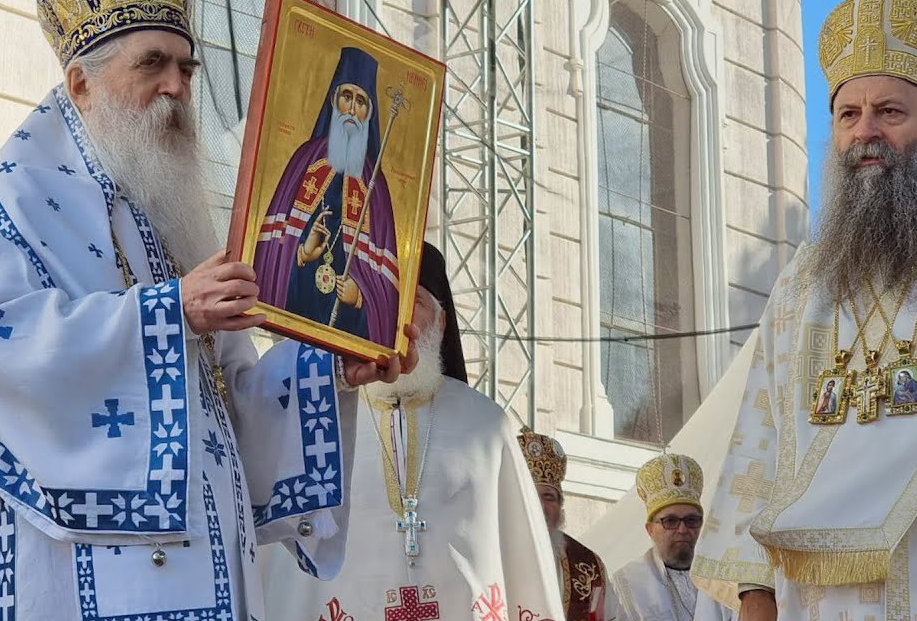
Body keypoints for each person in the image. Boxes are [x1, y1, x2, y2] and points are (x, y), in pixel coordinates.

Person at [0, 0, 416, 621]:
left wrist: (333, 365)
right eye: (152, 64)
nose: (176, 87)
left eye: (187, 69)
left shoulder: (170, 217)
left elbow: (232, 397)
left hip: (210, 562)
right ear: (80, 82)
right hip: (79, 571)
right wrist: (168, 315)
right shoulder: (10, 203)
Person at [693, 0, 917, 618]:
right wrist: (753, 591)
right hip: (825, 597)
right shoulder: (803, 282)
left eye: (889, 111)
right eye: (847, 115)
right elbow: (759, 435)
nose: (866, 131)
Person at [261, 243, 566, 620]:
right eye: (383, 299)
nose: (397, 318)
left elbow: (524, 563)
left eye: (415, 302)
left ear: (441, 323)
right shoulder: (320, 417)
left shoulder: (487, 425)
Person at [252, 47, 400, 346]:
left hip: (346, 340)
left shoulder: (375, 186)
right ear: (334, 100)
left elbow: (387, 288)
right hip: (288, 331)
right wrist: (302, 255)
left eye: (361, 102)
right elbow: (270, 256)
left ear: (368, 114)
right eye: (347, 96)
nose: (351, 109)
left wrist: (360, 298)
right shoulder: (304, 159)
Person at [607, 454, 732, 621]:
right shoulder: (627, 584)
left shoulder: (726, 578)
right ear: (650, 529)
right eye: (670, 521)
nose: (682, 529)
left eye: (691, 520)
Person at [517, 426, 610, 620]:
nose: (540, 507)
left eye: (549, 497)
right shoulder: (488, 554)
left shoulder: (588, 566)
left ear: (561, 506)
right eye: (530, 497)